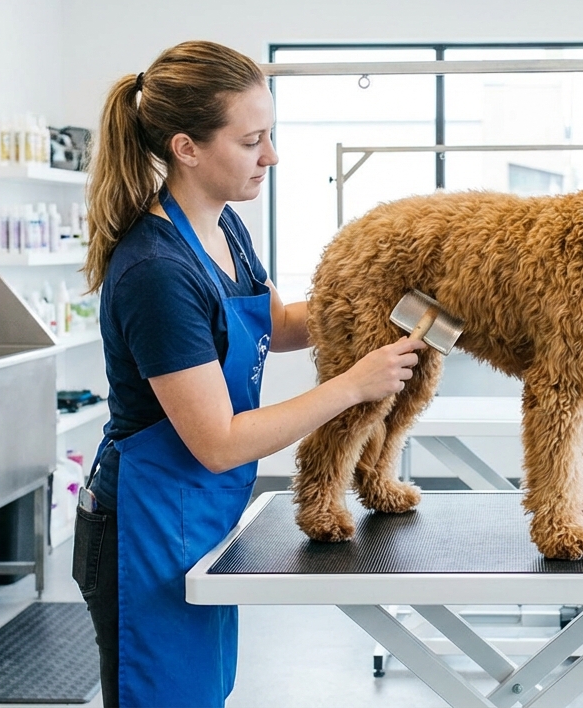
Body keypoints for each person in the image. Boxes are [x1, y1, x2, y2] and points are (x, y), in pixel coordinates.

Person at [71, 40, 424, 708]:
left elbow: (278, 322)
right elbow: (219, 440)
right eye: (252, 140)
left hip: (200, 512)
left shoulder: (225, 228)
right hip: (144, 525)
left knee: (204, 690)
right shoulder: (157, 274)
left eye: (272, 135)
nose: (272, 156)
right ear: (187, 148)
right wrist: (351, 385)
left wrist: (380, 301)